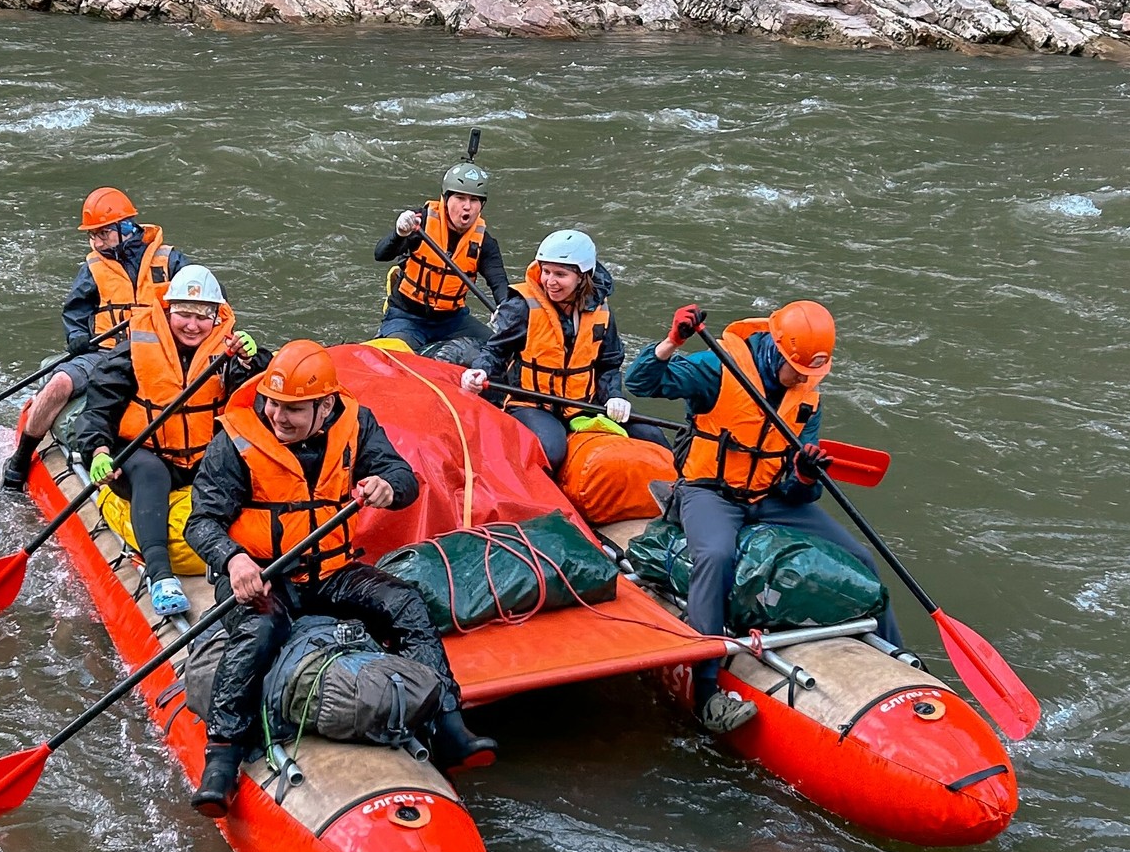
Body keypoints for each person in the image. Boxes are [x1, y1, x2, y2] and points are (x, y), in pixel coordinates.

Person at [184, 341, 498, 815]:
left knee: (405, 603)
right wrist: (233, 560)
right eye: (273, 403)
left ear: (325, 405)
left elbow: (401, 476)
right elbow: (201, 522)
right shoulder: (236, 439)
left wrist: (388, 486)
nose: (278, 416)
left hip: (331, 571)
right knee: (260, 627)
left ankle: (447, 723)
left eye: (293, 409)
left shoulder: (356, 423)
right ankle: (223, 755)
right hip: (262, 577)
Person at [627, 298, 902, 735]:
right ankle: (706, 692)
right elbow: (640, 381)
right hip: (709, 492)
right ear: (776, 349)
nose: (804, 379)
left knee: (861, 557)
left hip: (771, 496)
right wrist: (671, 342)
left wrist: (804, 475)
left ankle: (898, 659)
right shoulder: (719, 367)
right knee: (716, 556)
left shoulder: (807, 397)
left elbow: (799, 490)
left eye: (811, 373)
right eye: (798, 370)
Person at [72, 266, 267, 618]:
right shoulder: (133, 351)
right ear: (168, 310)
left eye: (203, 316)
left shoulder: (230, 352)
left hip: (202, 457)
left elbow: (260, 398)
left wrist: (253, 361)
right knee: (150, 471)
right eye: (184, 314)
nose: (192, 325)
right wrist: (98, 451)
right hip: (143, 457)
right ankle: (160, 574)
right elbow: (98, 410)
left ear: (217, 316)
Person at [0, 187, 183, 492]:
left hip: (160, 355)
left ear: (126, 227)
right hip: (105, 352)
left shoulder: (171, 261)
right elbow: (76, 309)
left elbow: (202, 305)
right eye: (92, 235)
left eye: (103, 233)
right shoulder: (93, 267)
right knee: (59, 383)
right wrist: (77, 336)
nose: (97, 242)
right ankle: (20, 459)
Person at [460, 228, 630, 474]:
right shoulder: (522, 307)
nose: (550, 281)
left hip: (583, 404)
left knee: (649, 433)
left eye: (560, 274)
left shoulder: (601, 310)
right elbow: (496, 351)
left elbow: (609, 362)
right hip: (531, 404)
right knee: (550, 450)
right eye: (546, 271)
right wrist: (480, 371)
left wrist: (614, 396)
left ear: (582, 277)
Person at [375, 153, 508, 356]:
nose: (467, 206)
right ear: (445, 199)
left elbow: (499, 283)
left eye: (474, 200)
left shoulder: (484, 243)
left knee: (500, 349)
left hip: (453, 321)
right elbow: (380, 254)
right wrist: (399, 234)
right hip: (407, 316)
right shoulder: (420, 223)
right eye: (460, 198)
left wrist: (505, 310)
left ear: (481, 205)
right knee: (398, 358)